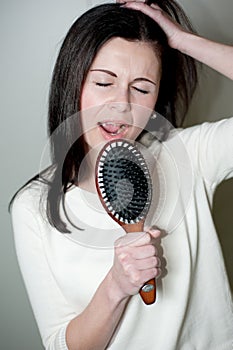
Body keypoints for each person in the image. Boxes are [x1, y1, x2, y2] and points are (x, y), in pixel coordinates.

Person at [11, 1, 233, 349]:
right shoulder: (33, 207)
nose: (121, 103)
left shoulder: (190, 155)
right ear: (73, 81)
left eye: (142, 88)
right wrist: (116, 286)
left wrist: (183, 41)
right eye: (104, 82)